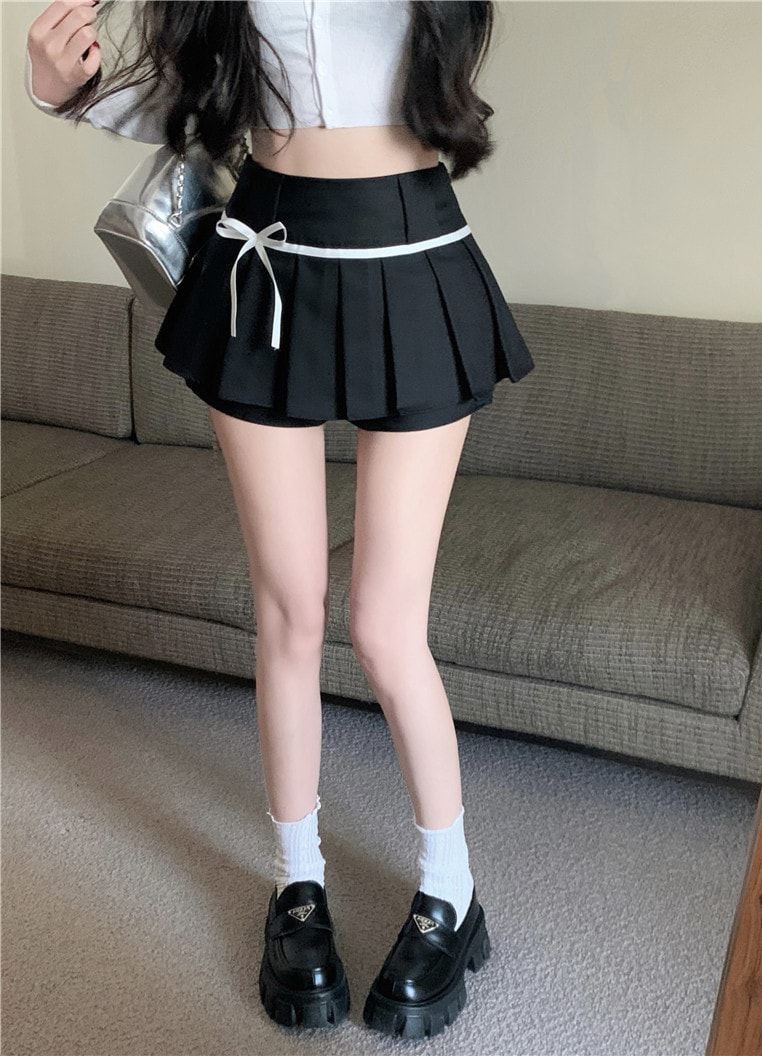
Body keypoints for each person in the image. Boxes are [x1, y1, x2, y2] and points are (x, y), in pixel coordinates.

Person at [25, 0, 535, 1040]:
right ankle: (295, 881)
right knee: (290, 611)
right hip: (262, 256)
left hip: (412, 255)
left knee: (386, 629)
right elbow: (195, 101)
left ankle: (452, 890)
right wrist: (67, 91)